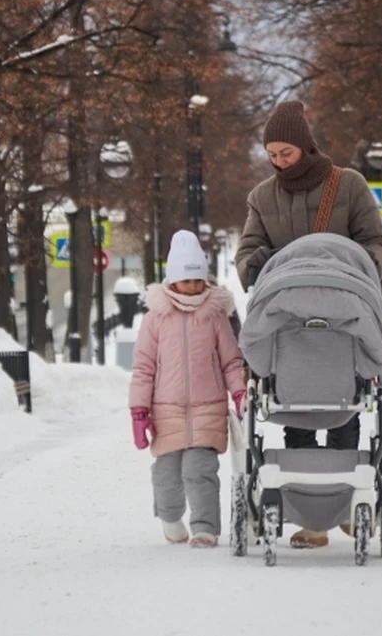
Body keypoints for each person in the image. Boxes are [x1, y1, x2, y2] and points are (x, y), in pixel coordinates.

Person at [234, 100, 382, 549]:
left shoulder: (348, 185)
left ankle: (343, 502)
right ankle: (309, 516)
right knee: (295, 410)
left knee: (344, 405)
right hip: (287, 317)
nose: (279, 161)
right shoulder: (263, 197)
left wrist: (361, 273)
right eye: (272, 154)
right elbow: (247, 249)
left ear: (304, 146)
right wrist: (254, 264)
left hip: (343, 310)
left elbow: (376, 241)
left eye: (286, 152)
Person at [129, 230, 246, 548]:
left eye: (198, 280)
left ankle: (206, 528)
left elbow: (231, 361)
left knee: (200, 470)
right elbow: (143, 368)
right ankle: (170, 518)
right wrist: (139, 411)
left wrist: (239, 393)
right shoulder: (156, 318)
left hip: (208, 407)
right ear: (171, 280)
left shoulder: (215, 315)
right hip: (166, 410)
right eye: (186, 280)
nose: (193, 286)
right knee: (166, 474)